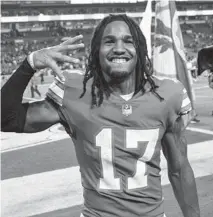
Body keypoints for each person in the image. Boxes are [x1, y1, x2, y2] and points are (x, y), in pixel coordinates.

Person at [1, 14, 200, 217]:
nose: (119, 48)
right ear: (96, 51)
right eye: (109, 41)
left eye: (128, 41)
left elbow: (180, 168)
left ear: (140, 49)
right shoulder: (74, 92)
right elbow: (6, 119)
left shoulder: (167, 94)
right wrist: (30, 63)